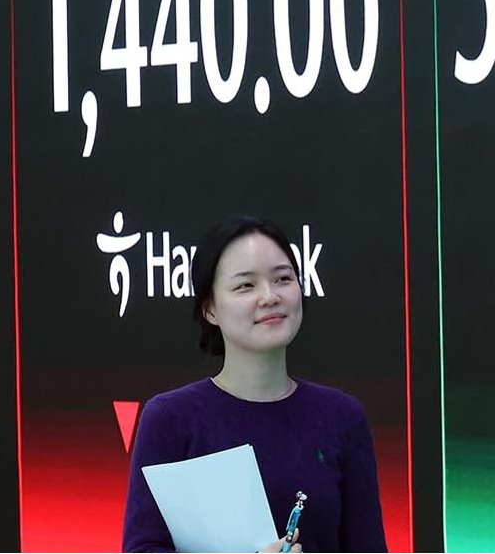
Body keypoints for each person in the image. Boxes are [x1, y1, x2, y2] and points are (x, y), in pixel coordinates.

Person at [122, 216, 387, 552]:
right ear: (209, 309)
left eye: (283, 279)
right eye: (245, 285)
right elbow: (144, 548)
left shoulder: (343, 417)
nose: (270, 296)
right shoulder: (170, 418)